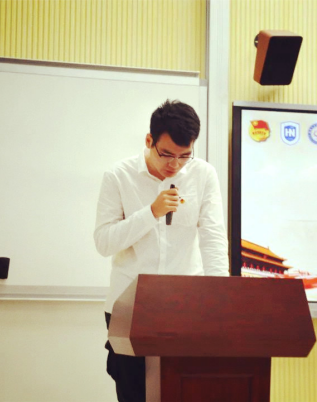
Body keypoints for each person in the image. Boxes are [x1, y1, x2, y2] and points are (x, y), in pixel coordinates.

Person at [93, 99, 229, 402]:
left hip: (186, 306)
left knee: (185, 392)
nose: (175, 165)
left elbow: (213, 237)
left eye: (184, 156)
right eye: (166, 154)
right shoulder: (118, 175)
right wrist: (150, 213)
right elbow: (104, 242)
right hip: (129, 308)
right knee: (133, 395)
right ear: (149, 140)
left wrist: (220, 299)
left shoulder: (203, 174)